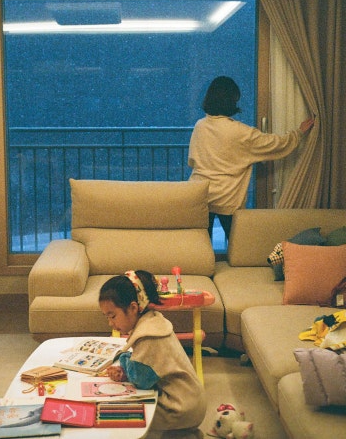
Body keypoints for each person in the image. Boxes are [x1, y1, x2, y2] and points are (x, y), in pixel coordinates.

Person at [188, 76, 315, 242]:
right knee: (238, 247)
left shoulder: (200, 126)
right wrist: (298, 133)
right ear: (231, 101)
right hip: (227, 198)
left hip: (200, 195)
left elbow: (192, 161)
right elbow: (276, 144)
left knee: (200, 247)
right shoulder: (241, 132)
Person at [99, 270, 207, 436]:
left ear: (133, 308)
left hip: (181, 408)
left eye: (112, 316)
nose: (110, 323)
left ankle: (183, 433)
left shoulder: (148, 336)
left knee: (124, 414)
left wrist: (125, 362)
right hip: (192, 399)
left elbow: (140, 380)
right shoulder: (154, 320)